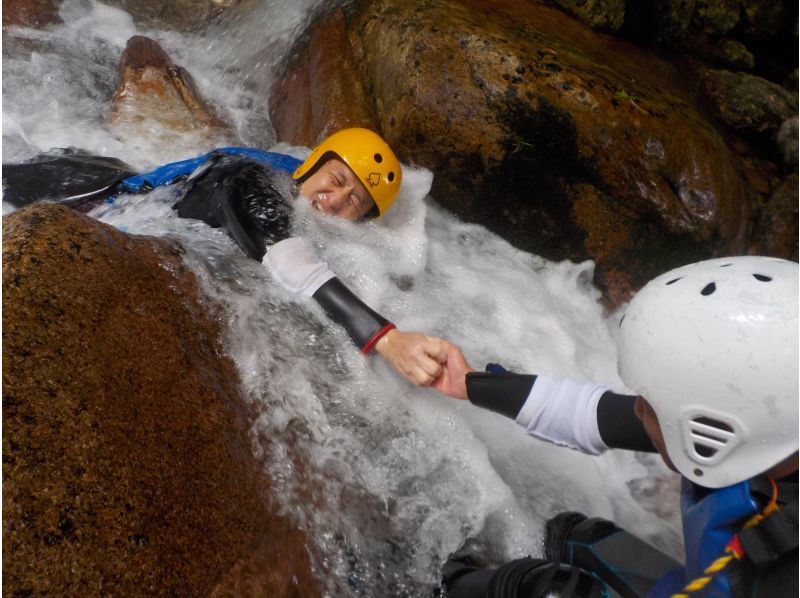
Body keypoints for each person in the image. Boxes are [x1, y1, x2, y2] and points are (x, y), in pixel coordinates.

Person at [430, 256, 798, 597]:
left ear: (714, 434)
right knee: (579, 537)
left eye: (649, 405)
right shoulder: (771, 437)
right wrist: (469, 384)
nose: (635, 411)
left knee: (549, 590)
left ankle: (438, 585)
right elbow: (592, 414)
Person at [2, 128, 447, 386]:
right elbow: (285, 257)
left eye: (354, 202)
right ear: (311, 166)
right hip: (92, 196)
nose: (334, 200)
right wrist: (385, 339)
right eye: (336, 179)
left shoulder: (304, 202)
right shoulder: (253, 180)